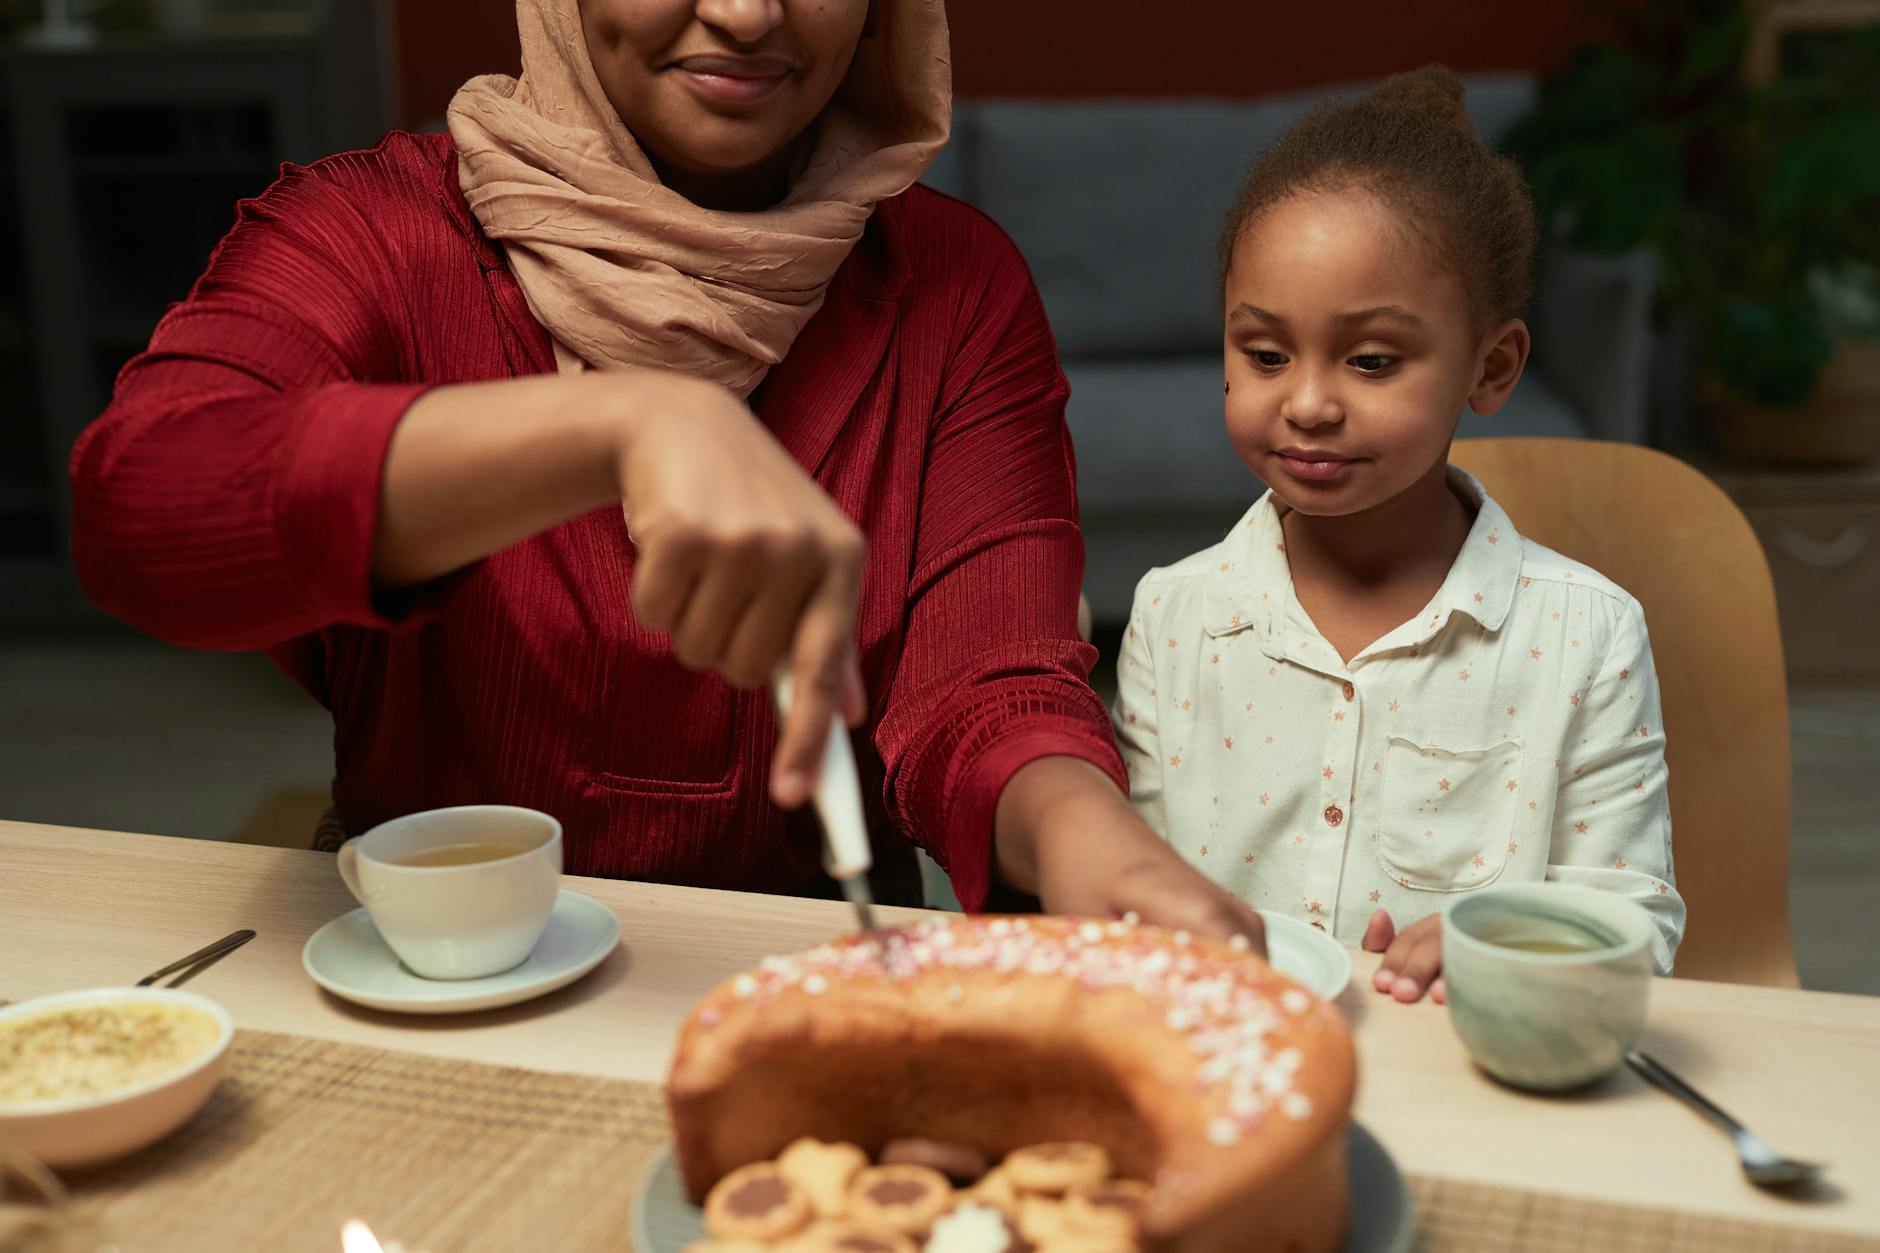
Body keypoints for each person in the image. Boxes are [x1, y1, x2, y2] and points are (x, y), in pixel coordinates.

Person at [69, 0, 1261, 944]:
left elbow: (989, 679)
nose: (746, 13)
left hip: (804, 951)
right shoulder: (369, 231)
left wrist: (1086, 834)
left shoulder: (953, 288)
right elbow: (140, 505)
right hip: (426, 954)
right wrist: (617, 424)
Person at [1112, 66, 1685, 999]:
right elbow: (1136, 895)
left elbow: (1637, 923)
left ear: (1490, 367)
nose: (1305, 403)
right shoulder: (1175, 616)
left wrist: (1511, 943)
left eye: (1372, 360)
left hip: (1476, 1073)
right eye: (1262, 354)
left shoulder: (1587, 635)